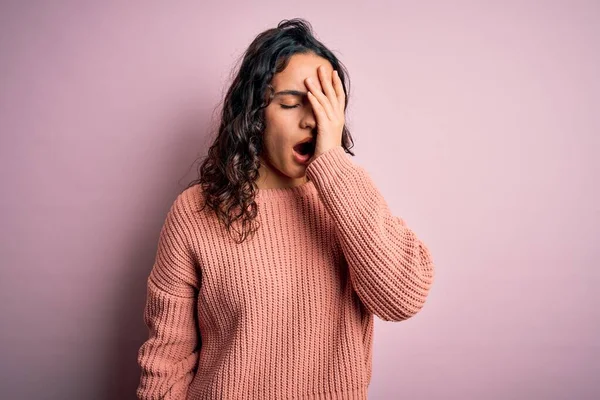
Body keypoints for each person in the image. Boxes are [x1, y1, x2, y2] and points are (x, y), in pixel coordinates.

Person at [136, 18, 435, 400]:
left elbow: (403, 297)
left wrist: (333, 164)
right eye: (291, 103)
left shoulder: (350, 202)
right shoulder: (195, 212)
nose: (311, 120)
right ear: (255, 113)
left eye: (326, 105)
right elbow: (167, 362)